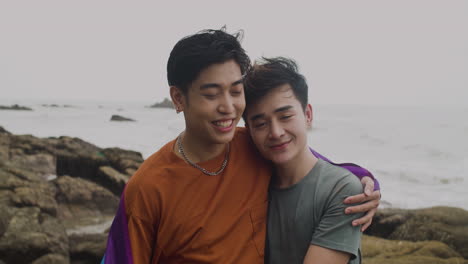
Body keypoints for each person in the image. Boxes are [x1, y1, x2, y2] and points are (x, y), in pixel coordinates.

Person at [101, 29, 380, 264]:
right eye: (211, 94)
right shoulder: (148, 188)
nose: (228, 107)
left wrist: (363, 179)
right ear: (178, 98)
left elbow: (310, 165)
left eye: (236, 91)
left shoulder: (253, 145)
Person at [244, 57, 368, 264]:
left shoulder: (342, 190)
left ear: (307, 115)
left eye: (285, 117)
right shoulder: (250, 185)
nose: (275, 132)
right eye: (260, 124)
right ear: (248, 130)